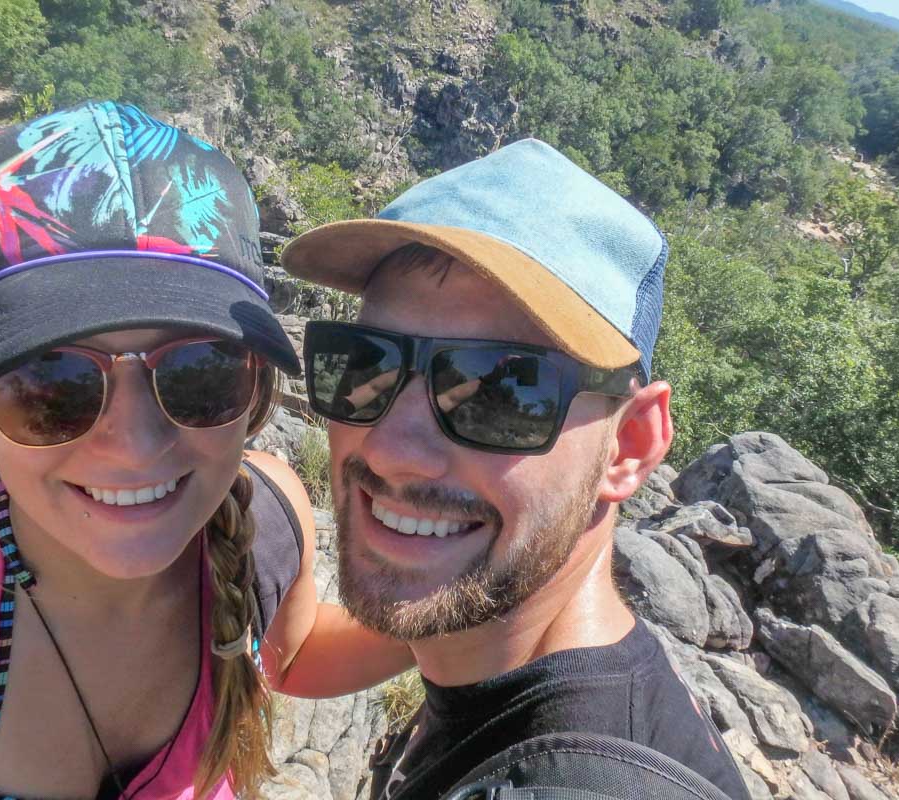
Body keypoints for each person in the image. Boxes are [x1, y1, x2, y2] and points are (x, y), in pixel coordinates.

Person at [0, 101, 411, 800]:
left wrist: (474, 601)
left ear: (256, 385)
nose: (134, 444)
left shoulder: (268, 525)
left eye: (198, 371)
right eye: (50, 381)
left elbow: (294, 652)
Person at [281, 139, 752, 800]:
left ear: (630, 446)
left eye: (501, 392)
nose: (392, 449)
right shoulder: (513, 673)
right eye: (365, 362)